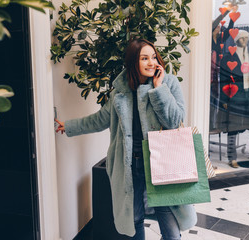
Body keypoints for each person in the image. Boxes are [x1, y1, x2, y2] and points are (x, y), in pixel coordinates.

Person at [55, 39, 197, 240]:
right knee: (134, 219)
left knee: (171, 226)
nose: (151, 62)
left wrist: (158, 89)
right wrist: (69, 126)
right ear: (133, 62)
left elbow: (175, 121)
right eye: (144, 58)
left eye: (153, 57)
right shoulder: (119, 94)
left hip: (163, 164)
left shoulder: (168, 83)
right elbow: (99, 120)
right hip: (131, 164)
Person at [220, 30, 249, 168]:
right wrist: (224, 99)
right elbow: (223, 79)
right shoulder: (228, 57)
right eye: (242, 38)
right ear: (237, 40)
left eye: (247, 37)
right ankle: (232, 158)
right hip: (235, 95)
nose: (245, 40)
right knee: (233, 126)